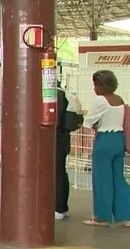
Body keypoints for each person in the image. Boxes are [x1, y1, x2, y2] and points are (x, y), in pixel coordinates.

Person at [82, 70, 130, 228]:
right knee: (118, 179)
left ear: (101, 85)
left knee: (102, 180)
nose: (94, 89)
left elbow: (87, 122)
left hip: (105, 140)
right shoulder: (119, 99)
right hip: (119, 140)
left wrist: (95, 122)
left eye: (95, 85)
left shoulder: (100, 100)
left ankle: (102, 217)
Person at [55, 81, 73, 220]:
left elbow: (55, 120)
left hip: (54, 139)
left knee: (56, 174)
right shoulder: (63, 93)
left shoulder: (54, 95)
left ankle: (58, 208)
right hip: (63, 139)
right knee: (61, 172)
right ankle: (62, 207)